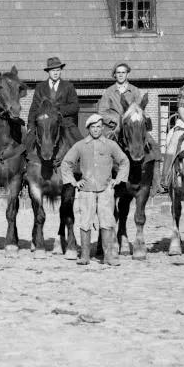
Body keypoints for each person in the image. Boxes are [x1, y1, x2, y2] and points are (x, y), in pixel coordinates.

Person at [60, 113, 129, 266]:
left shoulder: (110, 145)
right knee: (85, 222)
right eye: (93, 127)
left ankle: (108, 256)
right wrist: (73, 181)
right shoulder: (80, 145)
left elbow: (124, 161)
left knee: (107, 222)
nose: (96, 130)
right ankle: (85, 255)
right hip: (87, 191)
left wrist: (118, 180)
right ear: (88, 128)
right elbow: (66, 163)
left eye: (99, 127)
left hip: (106, 190)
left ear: (102, 128)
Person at [28, 56, 79, 142]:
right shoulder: (40, 87)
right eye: (53, 70)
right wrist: (31, 125)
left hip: (65, 123)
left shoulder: (68, 86)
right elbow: (34, 109)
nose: (55, 73)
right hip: (44, 124)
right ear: (48, 72)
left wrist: (58, 110)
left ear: (61, 71)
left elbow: (75, 107)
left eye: (58, 70)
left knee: (80, 141)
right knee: (27, 144)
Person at [96, 62, 146, 130]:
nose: (121, 75)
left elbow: (139, 110)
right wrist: (114, 120)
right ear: (115, 75)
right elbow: (102, 112)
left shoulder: (135, 91)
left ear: (127, 74)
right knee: (102, 139)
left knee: (148, 139)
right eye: (118, 72)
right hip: (113, 127)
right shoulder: (109, 91)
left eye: (123, 72)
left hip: (131, 127)